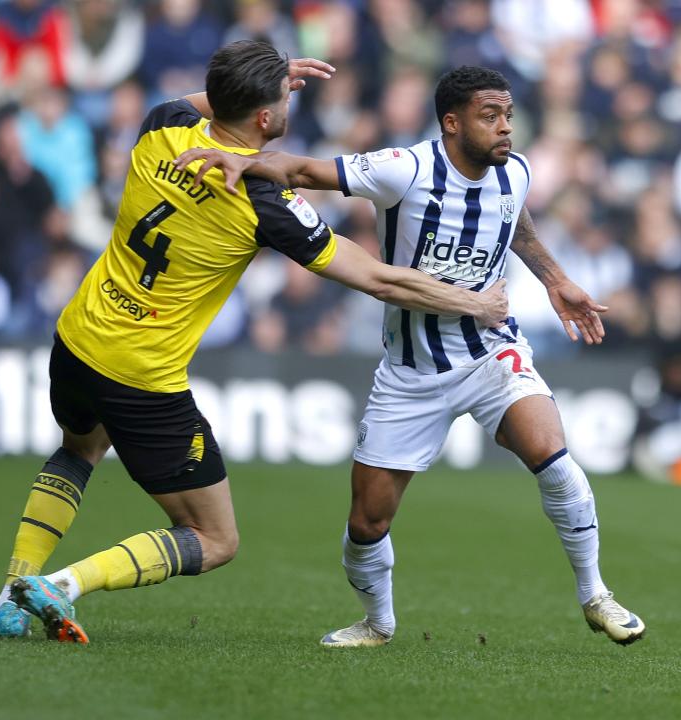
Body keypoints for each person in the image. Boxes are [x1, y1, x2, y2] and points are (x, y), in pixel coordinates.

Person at [0, 42, 509, 644]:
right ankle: (62, 584)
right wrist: (475, 301)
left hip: (78, 337)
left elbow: (206, 101)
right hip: (140, 374)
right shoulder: (266, 202)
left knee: (78, 451)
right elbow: (379, 279)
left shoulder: (164, 123)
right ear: (265, 118)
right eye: (283, 94)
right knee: (215, 539)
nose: (290, 97)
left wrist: (257, 79)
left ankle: (12, 592)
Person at [175, 65, 646, 647]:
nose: (505, 129)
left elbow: (515, 225)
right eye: (489, 116)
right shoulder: (405, 169)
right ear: (452, 123)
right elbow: (303, 170)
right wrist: (246, 161)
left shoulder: (515, 173)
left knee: (554, 457)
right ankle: (377, 622)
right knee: (366, 524)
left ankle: (596, 594)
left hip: (490, 355)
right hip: (410, 374)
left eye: (508, 116)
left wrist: (555, 280)